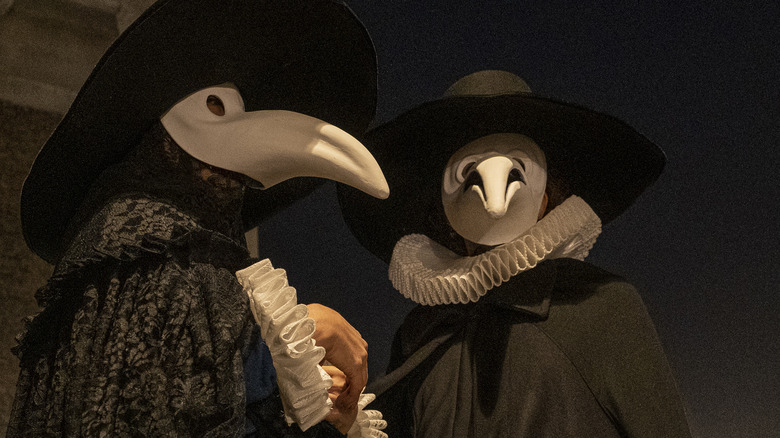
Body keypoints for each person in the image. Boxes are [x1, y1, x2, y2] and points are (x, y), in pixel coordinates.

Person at [10, 0, 389, 436]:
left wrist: (307, 399)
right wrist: (296, 338)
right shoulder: (138, 239)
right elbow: (158, 394)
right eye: (214, 105)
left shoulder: (202, 259)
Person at [338, 70, 692, 437]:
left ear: (546, 199)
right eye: (467, 167)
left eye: (517, 162)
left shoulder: (601, 307)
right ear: (442, 210)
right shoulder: (422, 335)